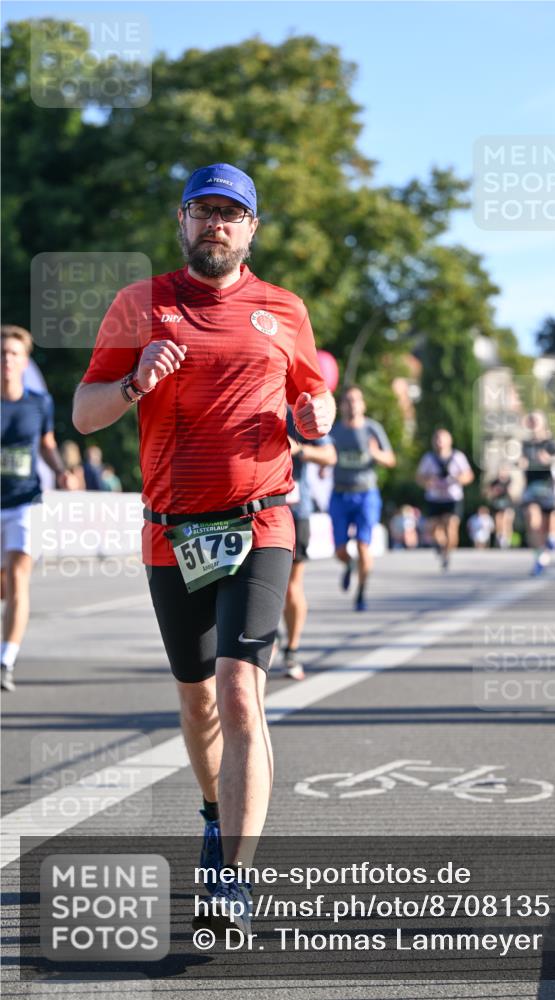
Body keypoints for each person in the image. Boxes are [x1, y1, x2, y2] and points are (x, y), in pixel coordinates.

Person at [72, 163, 335, 934]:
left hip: (260, 520)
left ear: (252, 228)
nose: (217, 223)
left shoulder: (284, 310)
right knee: (196, 699)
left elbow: (308, 405)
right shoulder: (138, 304)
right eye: (204, 210)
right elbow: (85, 414)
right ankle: (214, 815)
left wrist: (315, 421)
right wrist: (132, 385)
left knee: (238, 691)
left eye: (233, 212)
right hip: (171, 531)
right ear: (181, 221)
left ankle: (233, 878)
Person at [1, 325, 75, 691]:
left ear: (24, 361)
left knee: (17, 577)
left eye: (13, 354)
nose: (6, 360)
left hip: (24, 502)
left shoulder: (39, 403)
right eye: (1, 354)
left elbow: (47, 443)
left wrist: (61, 470)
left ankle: (5, 660)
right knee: (4, 584)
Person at [280, 408, 336, 680]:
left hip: (294, 510)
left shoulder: (297, 412)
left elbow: (330, 455)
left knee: (291, 586)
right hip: (250, 511)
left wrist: (299, 450)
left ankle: (291, 650)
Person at [329, 385, 395, 611]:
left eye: (356, 400)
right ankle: (349, 565)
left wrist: (376, 454)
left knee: (364, 547)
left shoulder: (372, 429)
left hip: (366, 494)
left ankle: (361, 592)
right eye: (347, 400)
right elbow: (326, 455)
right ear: (341, 405)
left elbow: (391, 459)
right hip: (339, 493)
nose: (352, 404)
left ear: (363, 405)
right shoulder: (335, 431)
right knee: (339, 550)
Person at [519, 411, 555, 575]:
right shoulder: (525, 444)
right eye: (530, 420)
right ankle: (539, 558)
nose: (533, 423)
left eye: (536, 420)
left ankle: (549, 547)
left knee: (549, 529)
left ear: (543, 424)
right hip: (532, 489)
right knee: (532, 521)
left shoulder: (551, 443)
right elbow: (521, 463)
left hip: (549, 489)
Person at [416, 428, 474, 570]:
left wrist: (458, 479)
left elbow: (469, 475)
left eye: (442, 439)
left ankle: (447, 554)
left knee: (451, 526)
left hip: (452, 498)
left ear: (449, 441)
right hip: (434, 498)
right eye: (437, 439)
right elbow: (419, 477)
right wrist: (428, 482)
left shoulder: (457, 457)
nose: (439, 442)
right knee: (432, 530)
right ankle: (441, 547)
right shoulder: (428, 458)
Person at [484, 465, 515, 549]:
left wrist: (510, 491)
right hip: (497, 504)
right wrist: (494, 492)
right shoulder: (494, 482)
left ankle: (507, 539)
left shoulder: (510, 481)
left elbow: (514, 494)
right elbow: (488, 494)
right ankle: (500, 537)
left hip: (508, 504)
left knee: (507, 520)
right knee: (498, 520)